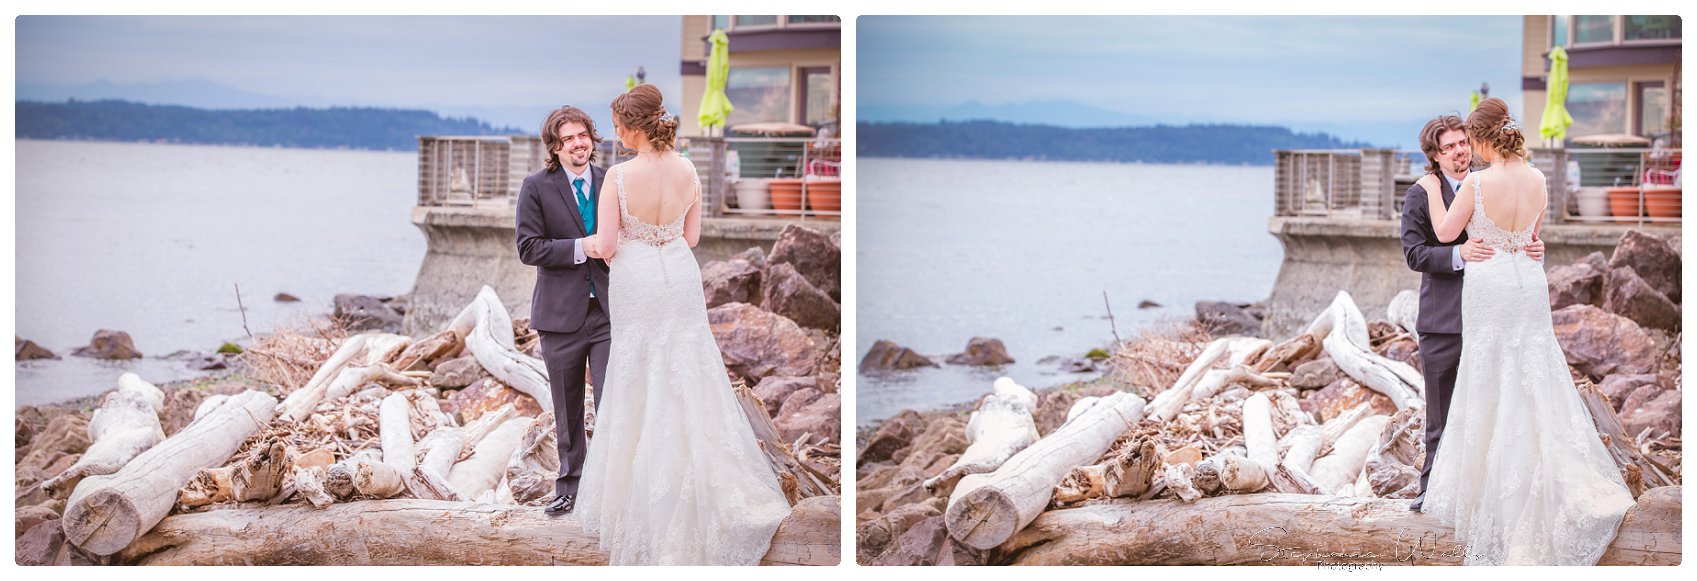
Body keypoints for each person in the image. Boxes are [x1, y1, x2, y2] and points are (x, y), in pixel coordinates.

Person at [575, 84, 791, 565]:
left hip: (637, 281)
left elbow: (607, 244)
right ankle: (703, 488)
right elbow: (691, 236)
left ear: (633, 127)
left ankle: (642, 500)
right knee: (689, 374)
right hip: (679, 277)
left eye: (617, 126)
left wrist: (581, 245)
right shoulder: (690, 169)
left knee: (638, 375)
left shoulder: (618, 175)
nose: (614, 135)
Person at [1418, 97, 1634, 565]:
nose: (1468, 152)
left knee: (1492, 374)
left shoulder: (1475, 182)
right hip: (1527, 283)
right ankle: (1542, 476)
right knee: (1534, 375)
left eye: (1469, 142)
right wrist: (1529, 247)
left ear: (1480, 138)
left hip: (1492, 283)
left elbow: (1442, 231)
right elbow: (1535, 237)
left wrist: (1434, 188)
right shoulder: (1538, 179)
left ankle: (1493, 494)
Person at [1400, 114, 1544, 512]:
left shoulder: (1488, 182)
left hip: (1495, 316)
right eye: (1449, 146)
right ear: (1434, 155)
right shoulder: (1420, 194)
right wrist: (1457, 254)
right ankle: (1432, 489)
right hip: (1444, 320)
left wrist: (1533, 247)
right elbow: (1415, 253)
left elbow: (1520, 232)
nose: (1460, 150)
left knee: (1492, 408)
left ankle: (1489, 492)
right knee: (1442, 413)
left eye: (1464, 142)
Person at [514, 106, 611, 516]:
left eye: (582, 134)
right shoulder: (536, 186)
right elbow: (528, 248)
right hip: (558, 316)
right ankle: (569, 487)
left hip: (609, 311)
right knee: (567, 409)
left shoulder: (613, 182)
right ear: (555, 147)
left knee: (614, 403)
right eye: (568, 138)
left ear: (592, 137)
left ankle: (610, 488)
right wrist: (579, 248)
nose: (578, 143)